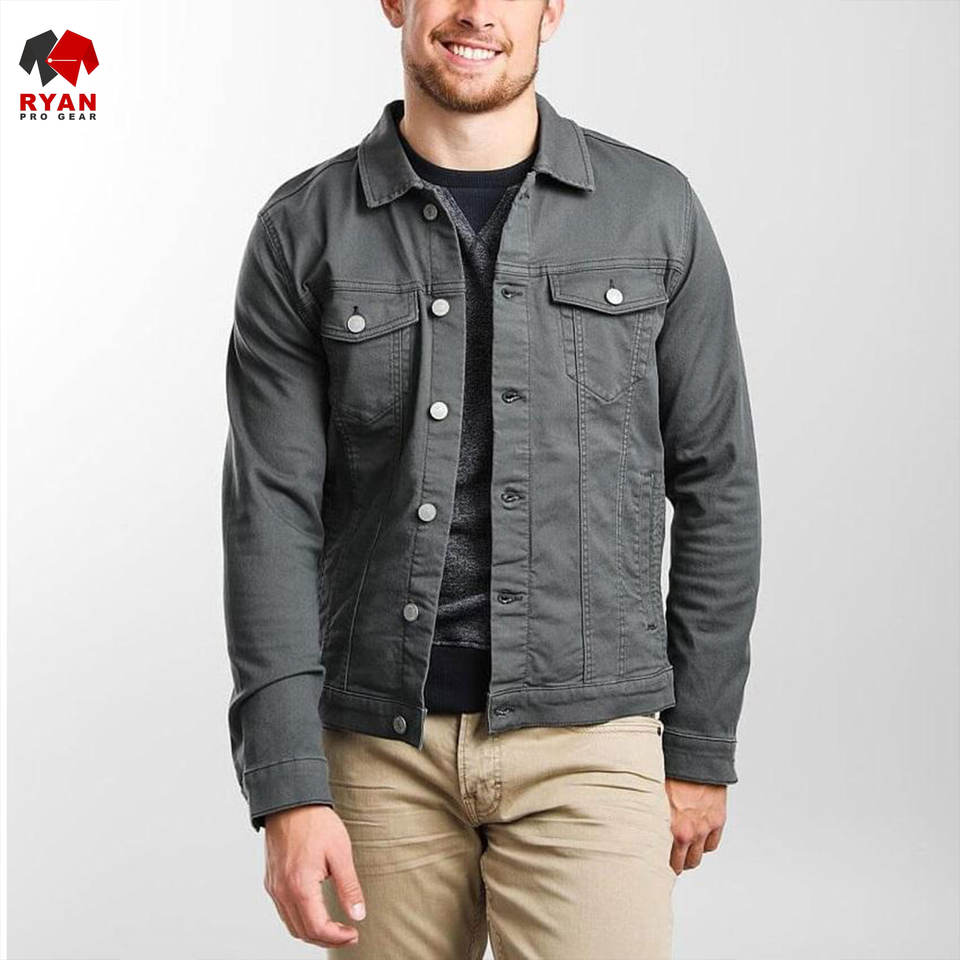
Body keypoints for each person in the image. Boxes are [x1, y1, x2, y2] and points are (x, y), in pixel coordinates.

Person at [221, 0, 761, 956]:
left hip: (593, 740)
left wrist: (699, 743)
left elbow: (718, 484)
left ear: (552, 8)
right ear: (395, 3)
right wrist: (289, 785)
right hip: (377, 747)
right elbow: (269, 513)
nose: (476, 12)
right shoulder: (303, 228)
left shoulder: (654, 211)